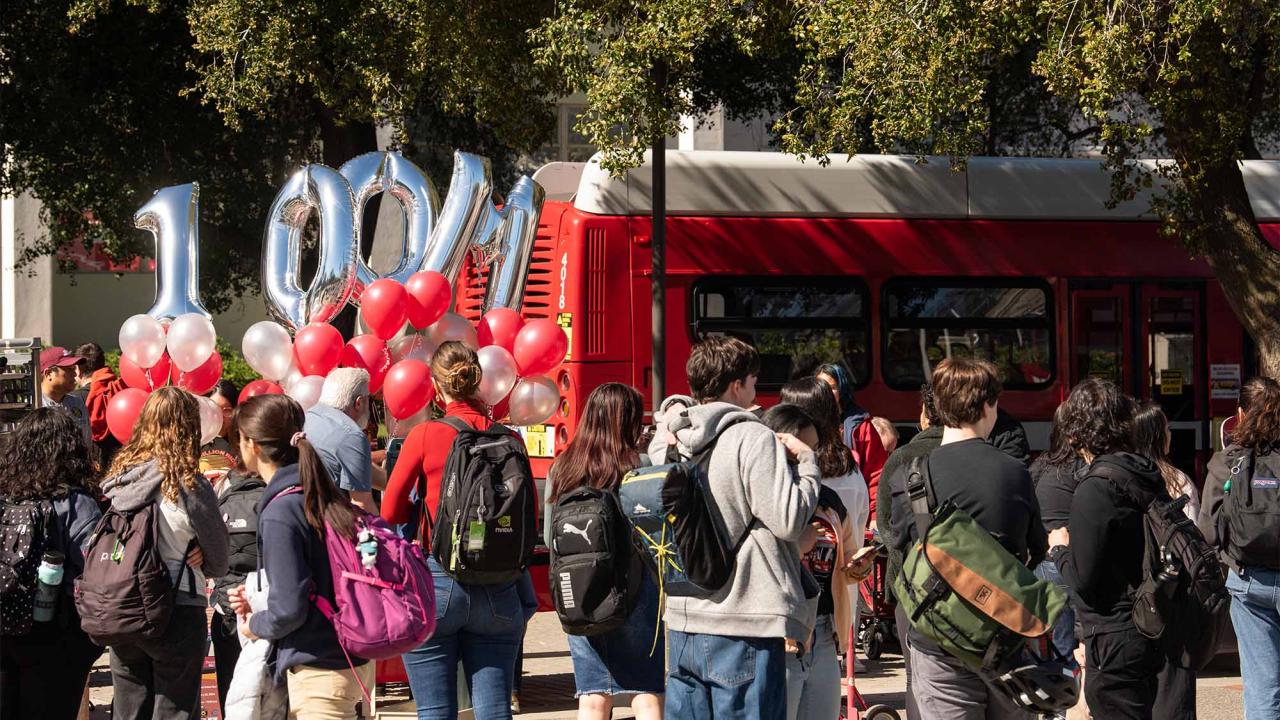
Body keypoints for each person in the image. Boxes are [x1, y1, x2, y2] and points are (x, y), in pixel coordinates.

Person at [649, 337, 820, 720]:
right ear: (736, 385)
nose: (756, 391)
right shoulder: (752, 437)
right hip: (745, 619)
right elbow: (789, 519)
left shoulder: (671, 440)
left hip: (682, 618)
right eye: (753, 381)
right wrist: (808, 463)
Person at [889, 358, 1046, 720]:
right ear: (988, 405)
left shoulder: (908, 476)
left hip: (938, 638)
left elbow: (901, 548)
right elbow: (1034, 550)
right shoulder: (1015, 472)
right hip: (1003, 636)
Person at [383, 341, 525, 720]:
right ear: (477, 379)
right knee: (495, 710)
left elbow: (390, 508)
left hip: (438, 580)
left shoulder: (425, 435)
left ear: (435, 385)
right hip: (499, 584)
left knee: (434, 711)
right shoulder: (510, 438)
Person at [227, 393, 374, 719]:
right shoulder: (319, 491)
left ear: (252, 444)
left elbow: (289, 608)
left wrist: (254, 623)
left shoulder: (281, 509)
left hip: (318, 669)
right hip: (347, 658)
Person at [101, 386, 229, 720]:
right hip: (177, 605)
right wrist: (200, 550)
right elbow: (219, 558)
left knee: (128, 707)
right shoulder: (188, 481)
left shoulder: (120, 479)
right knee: (175, 709)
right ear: (190, 427)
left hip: (124, 605)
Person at [546, 383, 664, 720]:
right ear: (625, 422)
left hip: (580, 589)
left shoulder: (562, 468)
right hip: (637, 588)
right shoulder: (639, 466)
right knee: (646, 690)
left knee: (593, 693)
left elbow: (549, 534)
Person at [1050, 379, 1164, 719]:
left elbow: (1083, 579)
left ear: (1076, 431)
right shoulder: (1142, 472)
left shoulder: (1096, 487)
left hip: (1114, 634)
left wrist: (1059, 550)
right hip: (1147, 621)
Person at [762, 402, 873, 720]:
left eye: (814, 448)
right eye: (802, 451)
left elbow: (847, 555)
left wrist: (856, 566)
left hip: (824, 632)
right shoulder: (760, 500)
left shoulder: (829, 501)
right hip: (777, 636)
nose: (812, 458)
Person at [0, 409, 103, 720]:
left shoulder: (5, 496)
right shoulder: (76, 503)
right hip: (54, 632)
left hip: (4, 622)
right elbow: (94, 569)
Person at [1198, 377, 1280, 720]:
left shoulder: (1226, 461)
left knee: (1262, 689)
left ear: (1241, 413)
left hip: (1247, 583)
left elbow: (1207, 529)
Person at [877, 383, 945, 720]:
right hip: (968, 585)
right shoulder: (976, 454)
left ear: (924, 416)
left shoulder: (901, 458)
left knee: (914, 675)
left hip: (910, 585)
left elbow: (886, 525)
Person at [1028, 404, 1084, 690]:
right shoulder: (1083, 470)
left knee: (1050, 646)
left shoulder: (1039, 466)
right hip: (1069, 562)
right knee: (1075, 646)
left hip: (1040, 565)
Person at [209, 463, 264, 713]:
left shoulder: (220, 488)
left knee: (231, 695)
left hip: (227, 609)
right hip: (264, 611)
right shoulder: (279, 493)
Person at [817, 362, 888, 528]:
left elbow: (876, 474)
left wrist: (875, 516)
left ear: (842, 390)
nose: (826, 392)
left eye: (832, 387)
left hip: (854, 508)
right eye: (822, 386)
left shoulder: (862, 427)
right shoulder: (808, 423)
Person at [304, 368, 383, 514]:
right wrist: (388, 535)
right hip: (324, 523)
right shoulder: (352, 435)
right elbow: (362, 504)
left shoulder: (307, 416)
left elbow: (356, 469)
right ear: (359, 402)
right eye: (368, 399)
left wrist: (397, 484)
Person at [1134, 402, 1200, 522]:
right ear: (1157, 437)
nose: (1170, 433)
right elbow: (1193, 529)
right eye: (1167, 429)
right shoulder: (1179, 482)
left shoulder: (1120, 477)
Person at [39, 346, 91, 446]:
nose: (75, 373)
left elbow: (87, 445)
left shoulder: (77, 404)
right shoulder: (35, 406)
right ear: (49, 373)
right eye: (69, 369)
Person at [201, 380, 240, 485]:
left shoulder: (243, 442)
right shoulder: (195, 440)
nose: (220, 416)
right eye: (214, 409)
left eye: (226, 410)